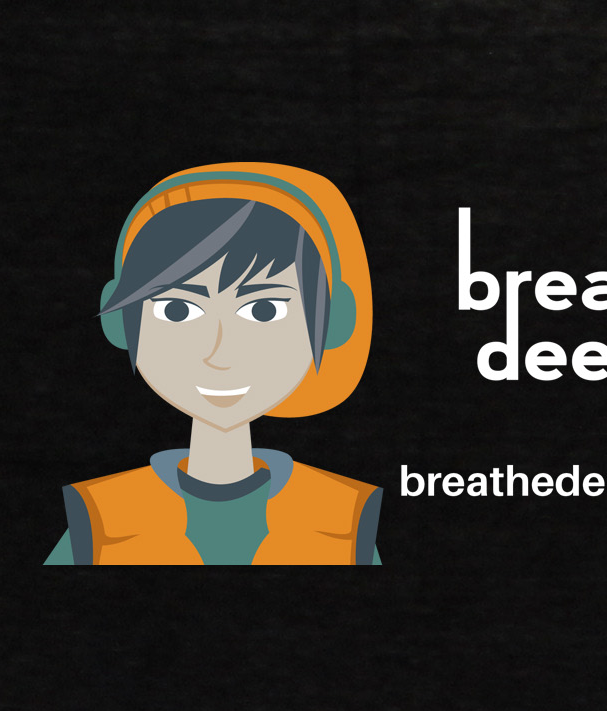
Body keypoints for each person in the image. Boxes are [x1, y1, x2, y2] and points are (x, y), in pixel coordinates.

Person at [52, 163, 384, 567]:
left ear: (333, 321)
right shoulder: (99, 519)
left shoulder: (346, 517)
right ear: (120, 321)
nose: (219, 353)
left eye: (264, 310)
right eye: (177, 310)